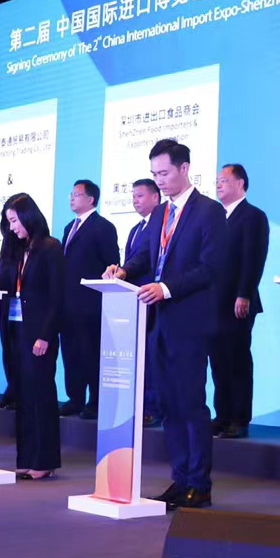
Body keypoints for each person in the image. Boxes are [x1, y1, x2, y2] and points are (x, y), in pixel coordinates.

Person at [106, 138, 228, 510]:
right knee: (168, 404)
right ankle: (181, 478)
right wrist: (124, 270)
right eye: (154, 174)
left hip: (190, 321)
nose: (158, 180)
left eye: (164, 173)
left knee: (190, 403)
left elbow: (210, 268)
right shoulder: (160, 212)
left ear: (184, 168)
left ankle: (200, 484)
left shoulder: (209, 211)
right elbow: (147, 256)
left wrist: (167, 288)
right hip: (158, 321)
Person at [0, 193, 66, 478]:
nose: (12, 227)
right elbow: (2, 285)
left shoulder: (50, 247)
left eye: (15, 221)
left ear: (28, 217)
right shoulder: (13, 249)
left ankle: (44, 461)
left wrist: (46, 335)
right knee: (22, 396)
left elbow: (57, 296)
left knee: (41, 395)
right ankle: (26, 458)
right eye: (9, 222)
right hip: (14, 330)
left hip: (38, 333)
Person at [211, 163, 269, 439]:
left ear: (240, 183)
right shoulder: (214, 217)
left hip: (238, 301)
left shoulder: (253, 216)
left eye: (223, 180)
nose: (218, 185)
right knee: (217, 360)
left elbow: (253, 258)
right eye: (217, 180)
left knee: (237, 359)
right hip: (213, 302)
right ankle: (222, 415)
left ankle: (239, 418)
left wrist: (244, 293)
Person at [59, 179, 119, 419]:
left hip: (91, 304)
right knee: (70, 353)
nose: (71, 198)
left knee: (91, 353)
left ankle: (95, 401)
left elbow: (112, 263)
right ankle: (75, 398)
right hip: (67, 302)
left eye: (76, 194)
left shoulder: (103, 227)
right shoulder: (69, 227)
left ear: (91, 199)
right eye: (71, 194)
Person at [124, 177, 163, 427]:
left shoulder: (160, 226)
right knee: (139, 355)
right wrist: (120, 272)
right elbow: (132, 262)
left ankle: (153, 407)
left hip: (155, 300)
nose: (135, 201)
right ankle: (139, 406)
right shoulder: (136, 228)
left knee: (153, 356)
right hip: (135, 301)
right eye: (133, 196)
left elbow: (147, 261)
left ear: (155, 197)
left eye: (140, 196)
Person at [0, 207, 25, 411]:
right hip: (8, 305)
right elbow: (1, 279)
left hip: (27, 307)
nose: (11, 226)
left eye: (13, 221)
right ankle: (12, 389)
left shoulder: (39, 245)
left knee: (23, 352)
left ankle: (22, 393)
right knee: (9, 349)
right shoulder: (8, 243)